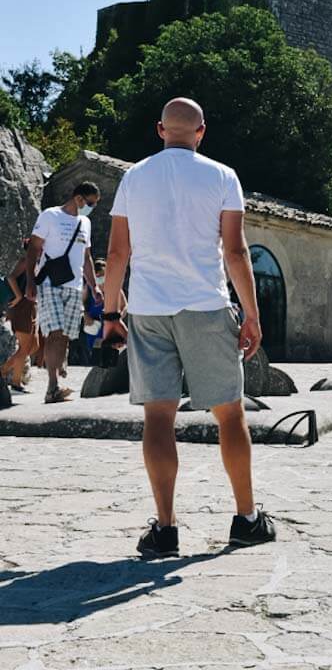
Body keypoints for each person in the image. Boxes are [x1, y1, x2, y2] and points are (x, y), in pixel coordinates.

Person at [101, 97, 274, 559]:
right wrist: (251, 314)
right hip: (205, 306)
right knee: (229, 414)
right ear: (202, 131)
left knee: (159, 418)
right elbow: (235, 254)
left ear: (160, 130)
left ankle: (165, 528)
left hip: (149, 309)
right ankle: (247, 519)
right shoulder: (222, 176)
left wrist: (110, 315)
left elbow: (118, 255)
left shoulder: (133, 178)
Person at [21, 182, 102, 404]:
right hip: (50, 282)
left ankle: (55, 385)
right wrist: (30, 282)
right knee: (54, 332)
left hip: (74, 285)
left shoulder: (85, 222)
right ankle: (52, 386)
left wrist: (93, 286)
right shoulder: (50, 216)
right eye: (91, 203)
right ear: (78, 198)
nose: (92, 207)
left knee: (65, 336)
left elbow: (86, 256)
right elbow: (34, 248)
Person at [1, 240, 39, 392]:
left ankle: (4, 370)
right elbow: (10, 277)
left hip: (31, 306)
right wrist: (18, 296)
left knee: (34, 345)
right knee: (24, 347)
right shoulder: (25, 261)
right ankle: (15, 381)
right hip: (21, 306)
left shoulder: (37, 263)